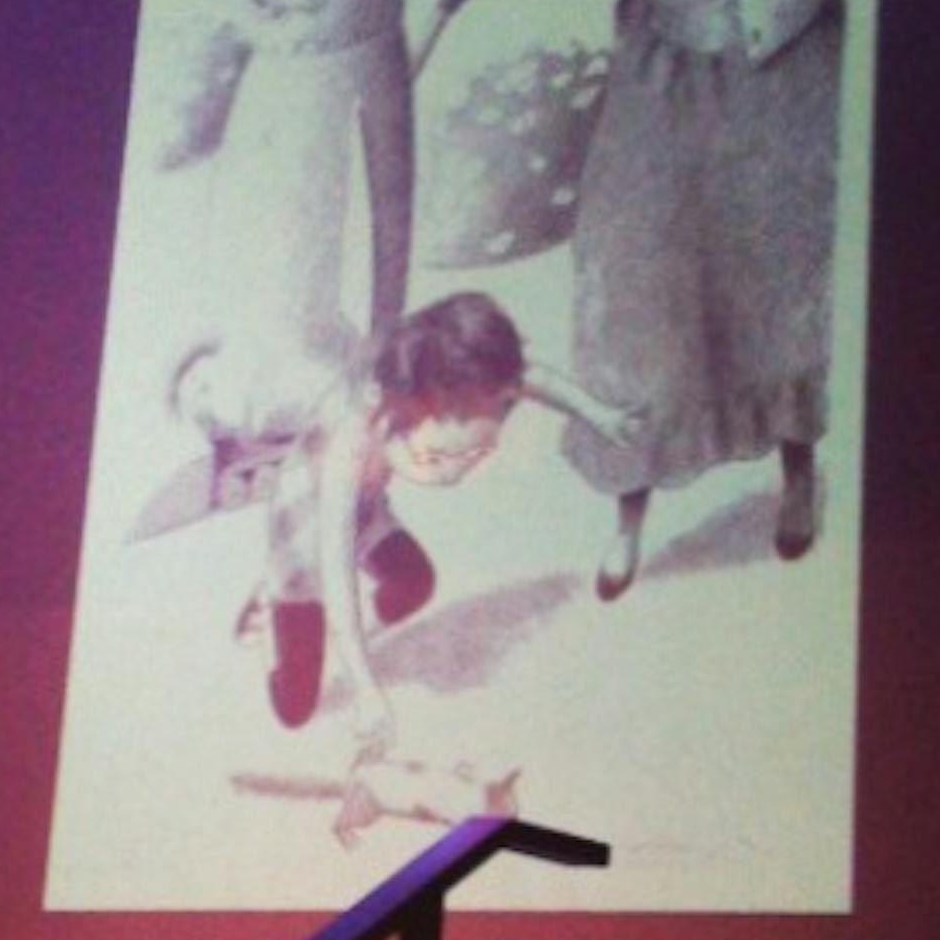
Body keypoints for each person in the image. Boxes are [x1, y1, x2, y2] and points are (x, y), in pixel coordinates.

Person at [477, 0, 853, 600]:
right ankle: (627, 519)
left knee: (772, 284)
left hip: (769, 104)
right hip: (656, 104)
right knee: (638, 311)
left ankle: (795, 470)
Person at [180, 291, 637, 758]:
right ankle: (269, 609)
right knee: (295, 708)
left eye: (474, 454)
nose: (454, 474)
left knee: (414, 582)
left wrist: (600, 414)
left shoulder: (456, 387)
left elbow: (527, 377)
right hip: (306, 533)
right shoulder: (348, 450)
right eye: (439, 457)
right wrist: (364, 686)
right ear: (389, 413)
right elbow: (338, 582)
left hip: (367, 502)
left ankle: (300, 614)